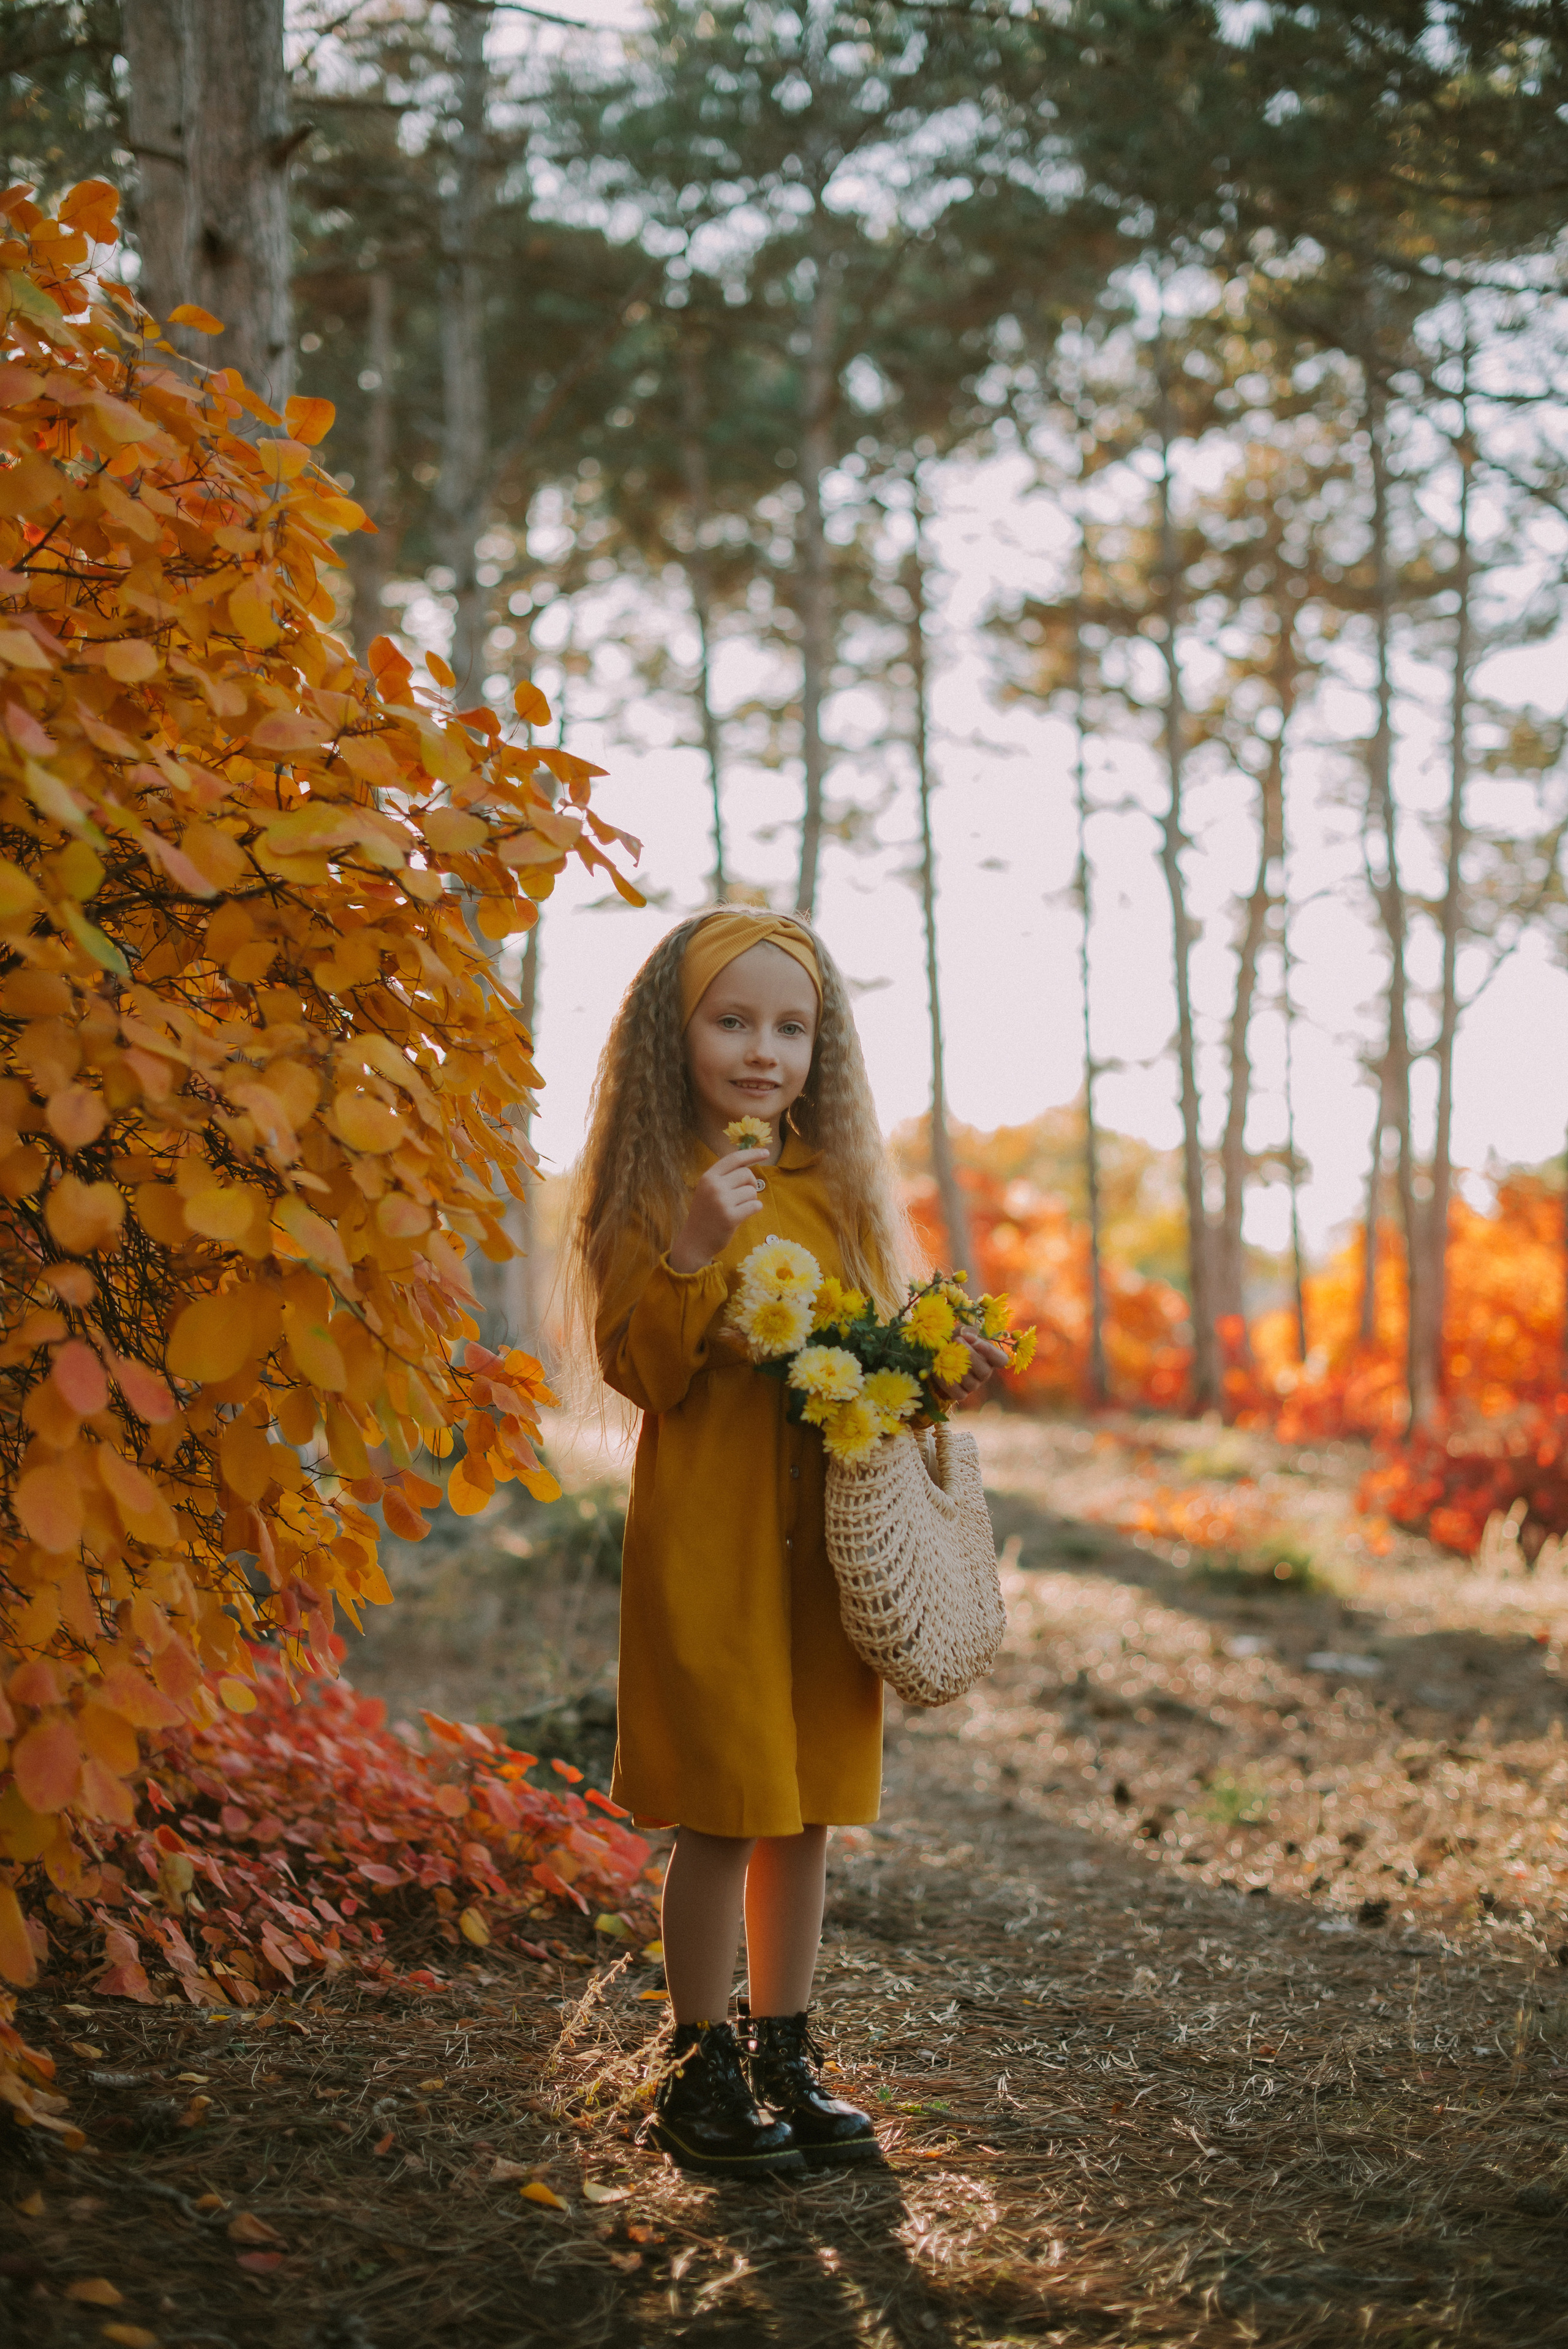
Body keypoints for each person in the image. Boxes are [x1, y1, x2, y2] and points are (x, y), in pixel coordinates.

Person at [564, 906, 1005, 2179]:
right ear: (675, 1034)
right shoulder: (652, 1188)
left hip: (825, 1545)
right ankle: (695, 2065)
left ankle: (782, 2049)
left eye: (792, 1027)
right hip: (710, 1539)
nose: (764, 1050)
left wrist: (934, 1368)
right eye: (733, 1020)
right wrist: (693, 1249)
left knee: (804, 1807)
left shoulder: (833, 1192)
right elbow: (641, 1367)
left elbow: (864, 1365)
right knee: (724, 1808)